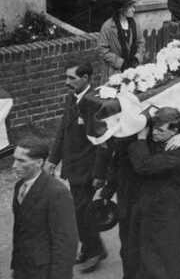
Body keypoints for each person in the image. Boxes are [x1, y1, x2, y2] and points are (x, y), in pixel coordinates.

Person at [45, 63, 109, 273]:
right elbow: (63, 130)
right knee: (79, 210)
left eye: (72, 78)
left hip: (89, 168)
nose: (67, 82)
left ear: (86, 78)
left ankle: (95, 250)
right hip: (73, 165)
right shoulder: (71, 98)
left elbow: (103, 141)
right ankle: (90, 247)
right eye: (67, 77)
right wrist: (53, 159)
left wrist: (100, 173)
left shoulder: (96, 103)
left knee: (81, 210)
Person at [128, 107, 180, 279]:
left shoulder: (177, 153)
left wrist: (141, 138)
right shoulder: (160, 139)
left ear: (174, 131)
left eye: (160, 130)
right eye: (153, 128)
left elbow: (144, 166)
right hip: (152, 212)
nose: (154, 133)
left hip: (170, 216)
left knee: (172, 263)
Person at [12, 137, 78, 279]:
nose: (14, 165)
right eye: (14, 159)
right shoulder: (20, 186)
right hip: (23, 268)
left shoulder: (56, 193)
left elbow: (66, 242)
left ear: (39, 163)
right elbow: (21, 231)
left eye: (21, 160)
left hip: (44, 271)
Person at [98, 0, 145, 77]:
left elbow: (141, 43)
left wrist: (136, 59)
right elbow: (103, 51)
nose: (134, 9)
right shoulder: (107, 27)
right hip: (115, 72)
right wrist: (121, 63)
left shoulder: (135, 23)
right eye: (130, 7)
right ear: (122, 10)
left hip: (134, 70)